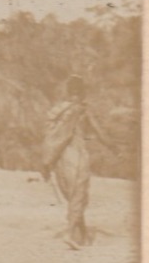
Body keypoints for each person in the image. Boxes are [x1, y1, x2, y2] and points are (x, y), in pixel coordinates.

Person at [42, 74, 109, 249]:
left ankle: (82, 233)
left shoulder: (58, 111)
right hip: (76, 155)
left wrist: (47, 161)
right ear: (83, 92)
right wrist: (116, 148)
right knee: (79, 195)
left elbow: (52, 137)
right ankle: (71, 233)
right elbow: (99, 133)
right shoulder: (81, 110)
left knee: (73, 195)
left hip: (59, 158)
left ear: (68, 91)